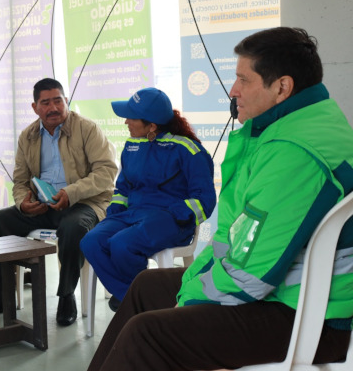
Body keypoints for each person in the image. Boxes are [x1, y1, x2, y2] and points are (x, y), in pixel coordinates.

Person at [87, 27, 353, 371]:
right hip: (289, 296)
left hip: (308, 318)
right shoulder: (303, 123)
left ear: (282, 87)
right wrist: (192, 285)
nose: (233, 90)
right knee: (146, 286)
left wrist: (188, 297)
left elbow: (248, 280)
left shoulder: (293, 153)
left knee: (148, 332)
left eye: (244, 79)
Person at [0, 78, 118, 326]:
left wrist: (71, 193)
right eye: (46, 103)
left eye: (58, 101)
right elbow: (20, 180)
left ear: (66, 102)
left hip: (84, 202)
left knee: (73, 228)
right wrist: (23, 203)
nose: (53, 107)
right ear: (35, 107)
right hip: (44, 205)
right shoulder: (29, 136)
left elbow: (106, 172)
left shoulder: (87, 129)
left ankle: (67, 295)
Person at [80, 87, 216, 310]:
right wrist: (113, 216)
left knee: (121, 244)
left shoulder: (189, 150)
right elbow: (122, 189)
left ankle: (133, 300)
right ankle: (134, 298)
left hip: (171, 221)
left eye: (131, 118)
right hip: (131, 216)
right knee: (90, 241)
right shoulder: (132, 146)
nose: (126, 122)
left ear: (151, 126)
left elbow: (205, 200)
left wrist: (176, 215)